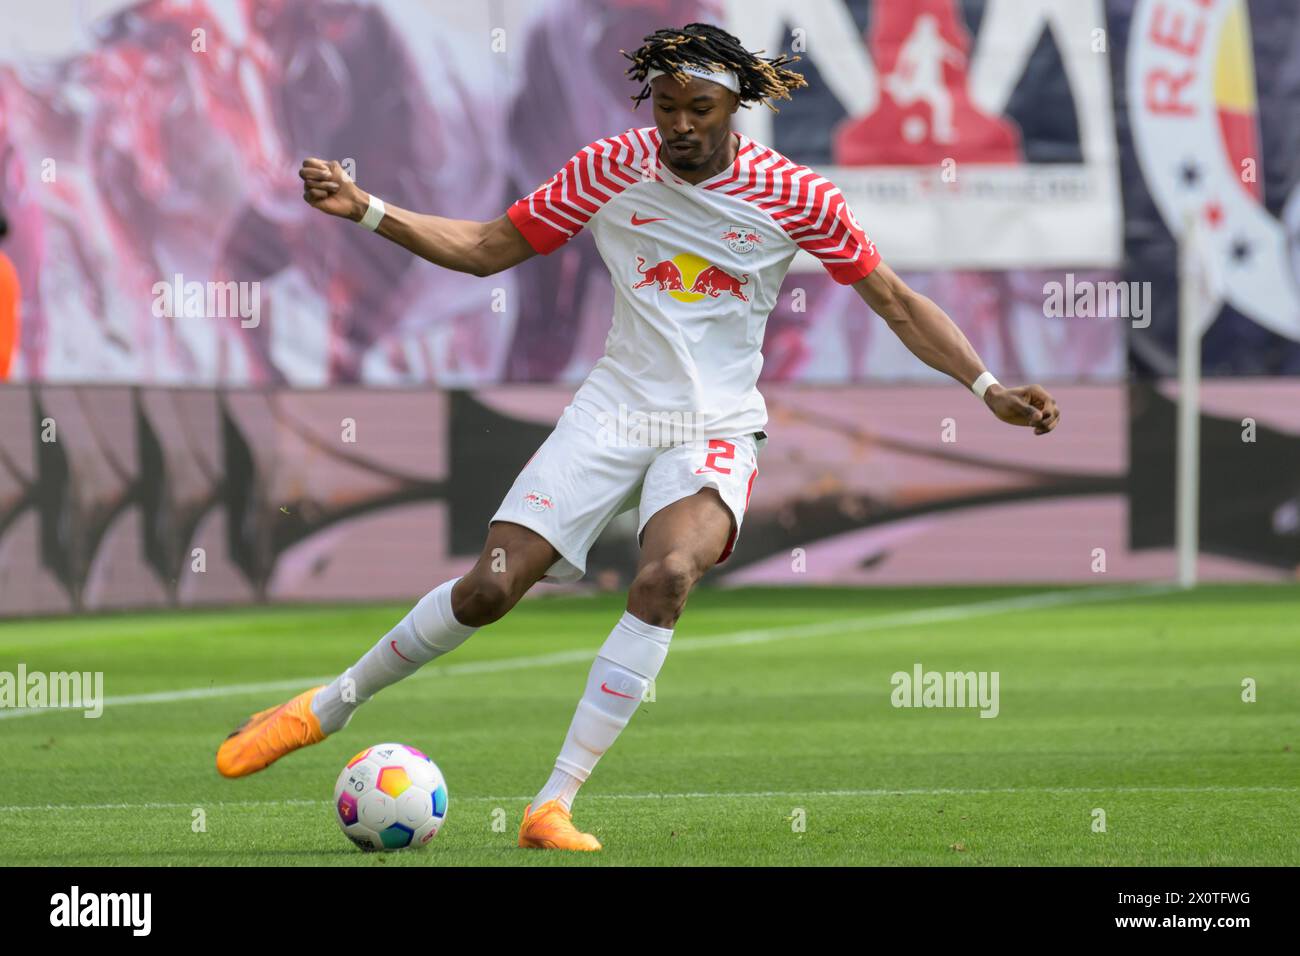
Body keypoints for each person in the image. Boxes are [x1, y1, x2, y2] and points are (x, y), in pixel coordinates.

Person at [215, 22, 1060, 851]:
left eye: (698, 107)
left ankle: (551, 807)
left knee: (666, 575)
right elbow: (484, 249)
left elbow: (899, 305)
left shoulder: (797, 196)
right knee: (490, 589)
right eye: (666, 106)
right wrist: (365, 209)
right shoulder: (609, 167)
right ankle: (325, 708)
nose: (680, 125)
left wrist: (985, 388)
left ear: (734, 106)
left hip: (717, 426)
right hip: (614, 409)